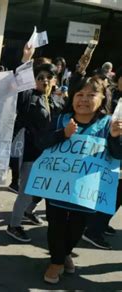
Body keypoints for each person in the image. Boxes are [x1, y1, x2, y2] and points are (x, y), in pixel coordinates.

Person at [37, 76, 122, 284]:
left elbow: (117, 155)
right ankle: (56, 262)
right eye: (79, 94)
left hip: (87, 190)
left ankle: (64, 253)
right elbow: (41, 142)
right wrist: (62, 134)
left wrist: (114, 137)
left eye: (91, 94)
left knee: (77, 227)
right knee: (55, 225)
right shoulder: (60, 119)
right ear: (72, 97)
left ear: (102, 98)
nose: (84, 99)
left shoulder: (108, 124)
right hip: (57, 187)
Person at [6, 63, 66, 243]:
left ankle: (28, 211)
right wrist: (26, 59)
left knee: (44, 186)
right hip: (30, 150)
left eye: (49, 77)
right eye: (40, 77)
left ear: (55, 80)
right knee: (26, 189)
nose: (45, 81)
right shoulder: (28, 97)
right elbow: (19, 86)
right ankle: (14, 225)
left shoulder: (58, 101)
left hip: (49, 152)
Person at [82, 67, 122, 250]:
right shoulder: (110, 98)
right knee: (114, 194)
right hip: (107, 151)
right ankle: (93, 230)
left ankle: (98, 223)